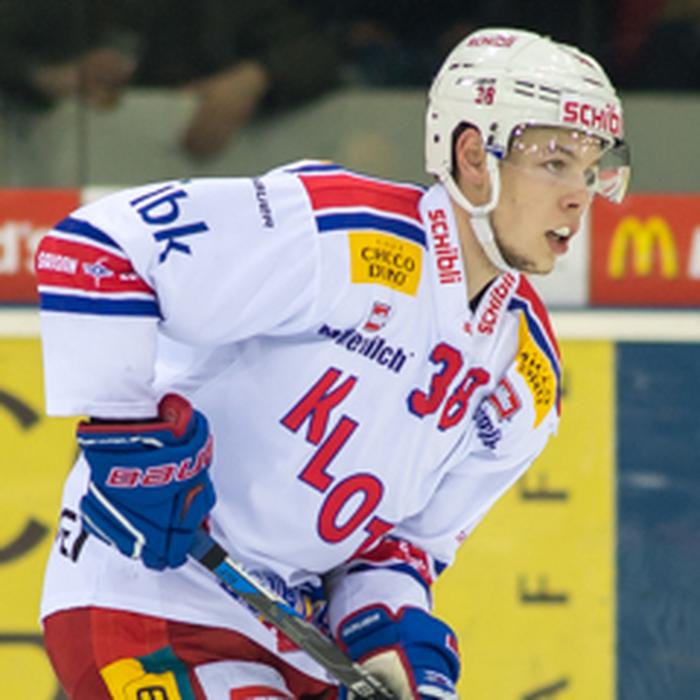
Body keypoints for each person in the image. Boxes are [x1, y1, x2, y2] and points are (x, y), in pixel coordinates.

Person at [35, 27, 630, 699]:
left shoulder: (526, 377)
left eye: (591, 168)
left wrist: (394, 639)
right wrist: (125, 433)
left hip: (295, 644)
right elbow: (96, 249)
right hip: (147, 603)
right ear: (472, 156)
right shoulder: (335, 234)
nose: (580, 195)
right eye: (555, 162)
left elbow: (400, 548)